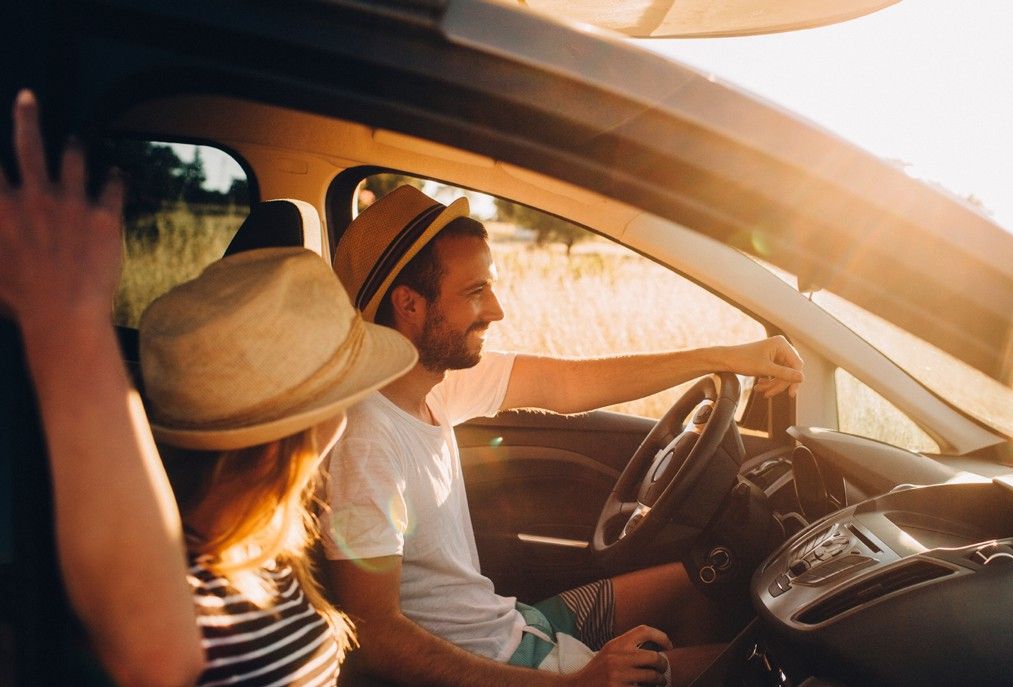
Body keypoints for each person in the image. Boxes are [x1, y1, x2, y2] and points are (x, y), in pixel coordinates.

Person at [0, 90, 418, 685]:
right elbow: (158, 654)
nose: (352, 410)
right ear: (289, 436)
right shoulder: (175, 593)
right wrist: (67, 317)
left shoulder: (265, 542)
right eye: (343, 391)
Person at [321, 185, 806, 686]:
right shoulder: (367, 439)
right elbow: (375, 637)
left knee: (695, 580)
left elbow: (570, 383)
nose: (496, 309)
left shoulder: (433, 382)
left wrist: (727, 356)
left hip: (515, 625)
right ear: (409, 304)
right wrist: (577, 684)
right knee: (759, 673)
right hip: (505, 665)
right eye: (474, 292)